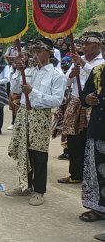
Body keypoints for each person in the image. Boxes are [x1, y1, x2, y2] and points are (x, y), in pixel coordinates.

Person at [6, 37, 67, 206]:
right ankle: (25, 185)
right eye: (33, 51)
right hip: (25, 113)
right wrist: (18, 71)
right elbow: (15, 89)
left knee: (38, 153)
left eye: (39, 51)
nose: (35, 55)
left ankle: (39, 191)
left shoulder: (57, 75)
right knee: (23, 150)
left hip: (40, 115)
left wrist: (34, 92)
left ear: (48, 53)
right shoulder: (30, 71)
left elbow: (56, 100)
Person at [59, 32, 104, 184]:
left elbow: (97, 75)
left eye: (88, 44)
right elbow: (65, 83)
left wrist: (83, 66)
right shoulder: (78, 60)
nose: (84, 46)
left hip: (93, 105)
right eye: (82, 44)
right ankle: (75, 174)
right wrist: (72, 74)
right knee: (73, 139)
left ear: (98, 45)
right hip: (76, 102)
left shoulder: (101, 62)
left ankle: (90, 175)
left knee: (88, 140)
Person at [79, 59, 105, 225]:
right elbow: (83, 96)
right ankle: (99, 207)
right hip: (99, 127)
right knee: (96, 171)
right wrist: (87, 99)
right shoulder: (97, 70)